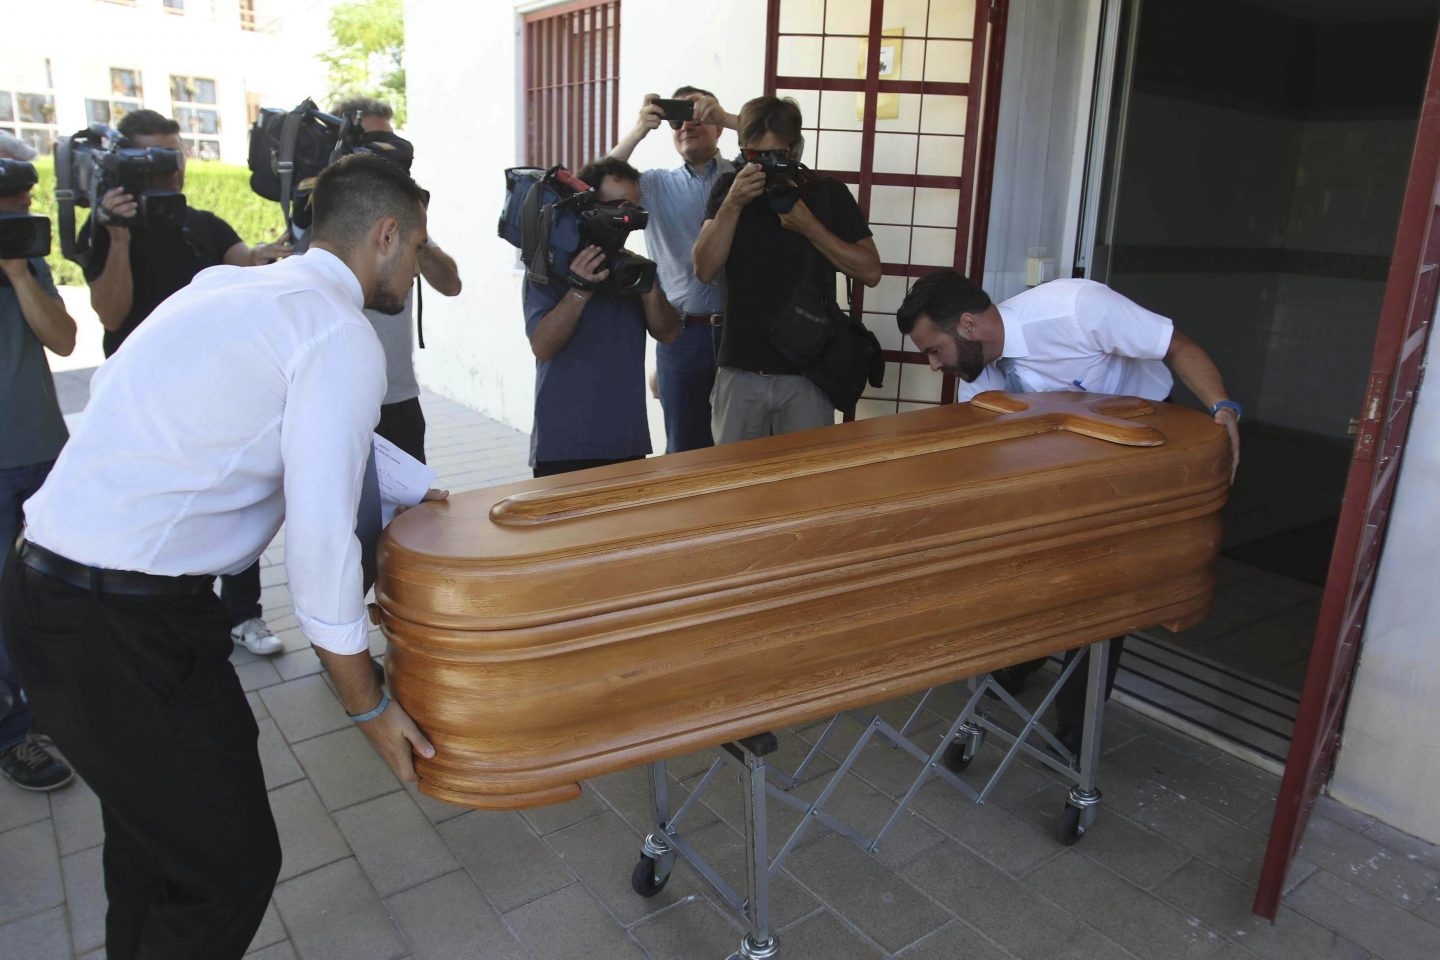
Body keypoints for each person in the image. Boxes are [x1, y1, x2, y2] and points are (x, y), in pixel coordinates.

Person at [2, 154, 438, 960]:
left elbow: (273, 420)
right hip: (125, 626)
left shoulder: (232, 287)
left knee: (150, 844)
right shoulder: (341, 334)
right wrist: (369, 706)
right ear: (385, 237)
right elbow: (321, 547)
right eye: (414, 247)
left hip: (40, 587)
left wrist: (420, 487)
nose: (415, 267)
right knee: (227, 868)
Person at [896, 270, 1242, 753]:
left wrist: (1222, 409)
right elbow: (989, 453)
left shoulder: (1076, 308)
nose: (933, 366)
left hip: (1136, 440)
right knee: (1025, 559)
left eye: (935, 350)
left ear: (970, 327)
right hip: (1054, 454)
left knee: (1102, 585)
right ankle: (1019, 659)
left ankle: (1077, 729)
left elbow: (1176, 345)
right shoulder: (980, 380)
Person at [80, 109, 294, 655]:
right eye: (152, 159)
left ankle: (244, 615)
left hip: (212, 397)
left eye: (174, 157)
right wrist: (120, 238)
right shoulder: (105, 230)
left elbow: (246, 261)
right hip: (142, 407)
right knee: (162, 512)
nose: (168, 171)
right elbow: (110, 313)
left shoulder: (200, 223)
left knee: (234, 502)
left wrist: (278, 251)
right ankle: (164, 619)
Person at [694, 95, 881, 444]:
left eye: (775, 156)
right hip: (740, 369)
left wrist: (809, 225)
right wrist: (733, 204)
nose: (763, 167)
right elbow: (703, 269)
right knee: (734, 489)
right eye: (754, 157)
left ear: (795, 150)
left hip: (808, 371)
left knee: (807, 491)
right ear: (742, 151)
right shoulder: (728, 190)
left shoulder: (827, 194)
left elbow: (870, 271)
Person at [524, 157, 680, 477]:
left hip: (627, 443)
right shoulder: (548, 269)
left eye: (633, 209)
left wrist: (647, 287)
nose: (626, 220)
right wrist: (580, 290)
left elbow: (668, 333)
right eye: (617, 207)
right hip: (564, 445)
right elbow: (542, 346)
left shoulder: (635, 267)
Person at [0, 135, 75, 792]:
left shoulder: (24, 254)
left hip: (43, 449)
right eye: (12, 205)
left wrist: (21, 273)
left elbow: (64, 336)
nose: (22, 216)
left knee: (50, 584)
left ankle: (60, 703)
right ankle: (17, 732)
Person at [333, 97, 462, 463]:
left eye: (391, 142)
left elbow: (451, 284)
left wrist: (414, 230)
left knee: (412, 515)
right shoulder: (321, 216)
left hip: (398, 398)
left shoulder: (403, 220)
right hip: (340, 402)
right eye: (375, 144)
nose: (387, 154)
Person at [608, 86, 737, 452]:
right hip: (681, 336)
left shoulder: (744, 174)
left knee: (740, 449)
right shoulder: (653, 185)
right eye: (677, 118)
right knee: (684, 450)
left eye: (698, 114)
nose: (687, 126)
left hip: (740, 333)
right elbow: (596, 186)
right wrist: (637, 131)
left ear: (718, 127)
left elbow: (792, 144)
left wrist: (726, 115)